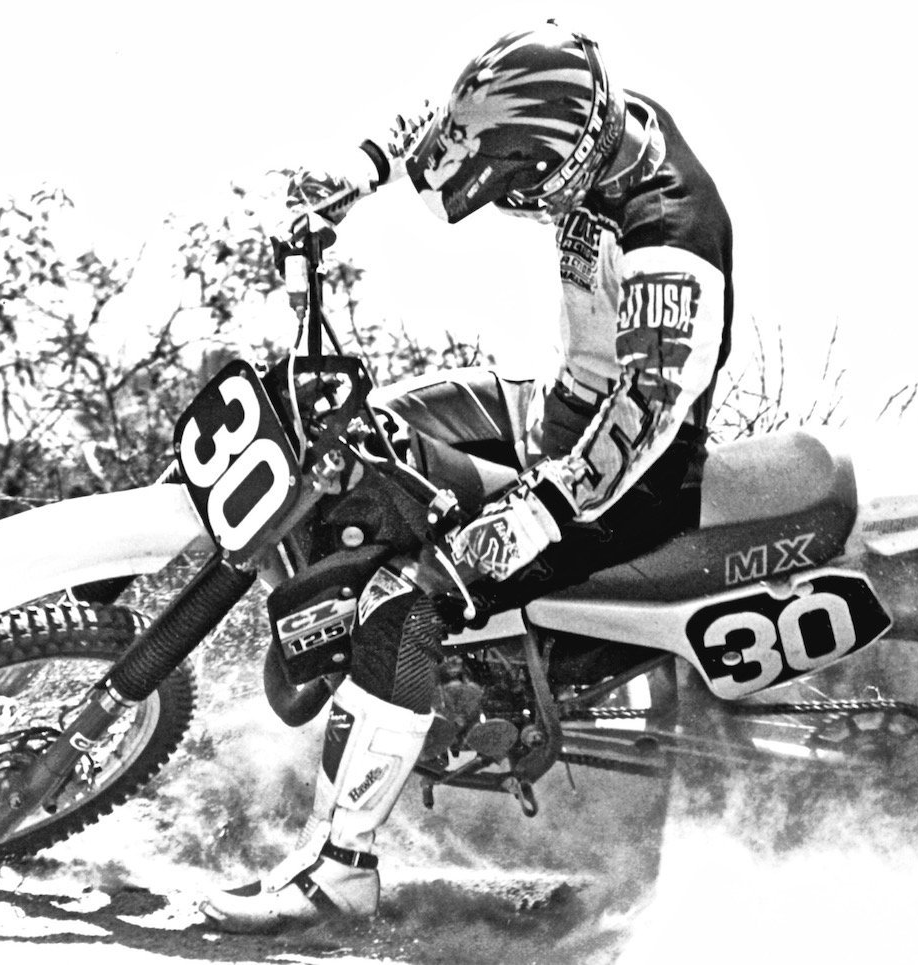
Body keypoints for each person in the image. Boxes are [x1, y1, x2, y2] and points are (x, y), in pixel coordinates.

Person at [198, 21, 733, 932]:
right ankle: (365, 698)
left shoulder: (672, 236)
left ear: (562, 161)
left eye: (521, 187)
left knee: (411, 596)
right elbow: (457, 121)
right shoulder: (588, 113)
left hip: (623, 483)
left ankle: (340, 868)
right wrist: (359, 172)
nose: (515, 203)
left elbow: (650, 407)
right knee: (372, 437)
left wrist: (543, 509)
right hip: (559, 410)